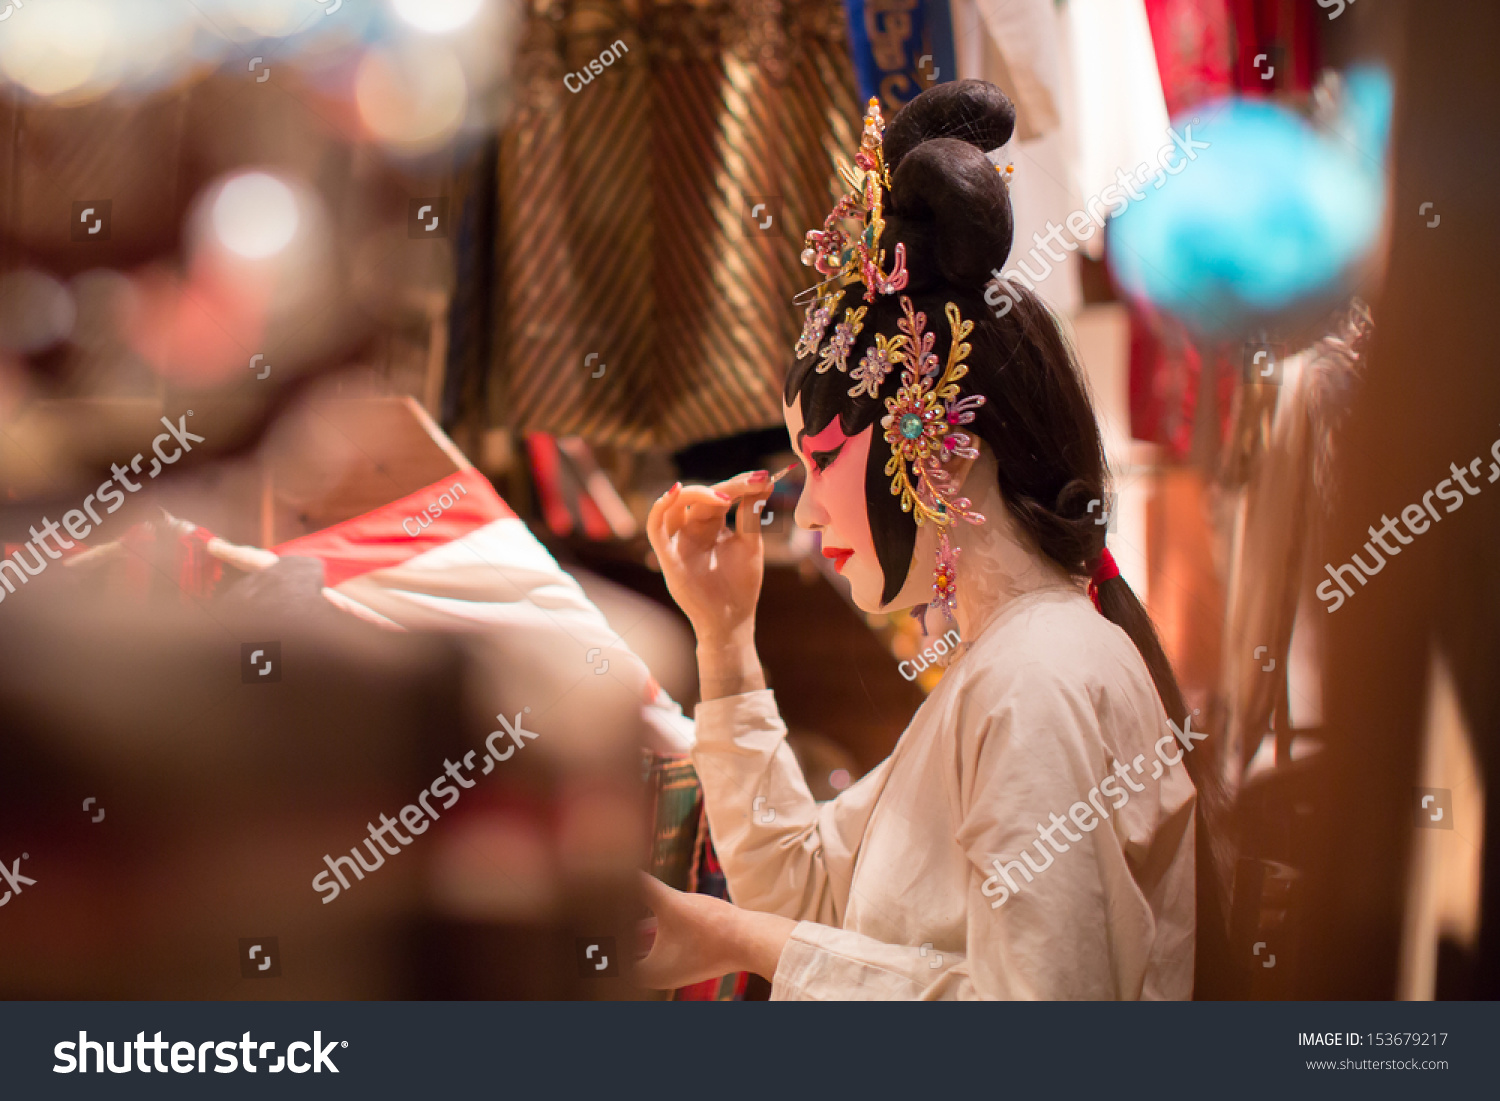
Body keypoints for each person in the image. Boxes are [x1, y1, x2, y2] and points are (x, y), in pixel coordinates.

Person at [637, 80, 1196, 999]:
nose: (809, 512)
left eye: (821, 461)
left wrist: (744, 938)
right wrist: (726, 636)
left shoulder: (1036, 678)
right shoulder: (1008, 662)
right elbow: (810, 891)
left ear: (944, 445)